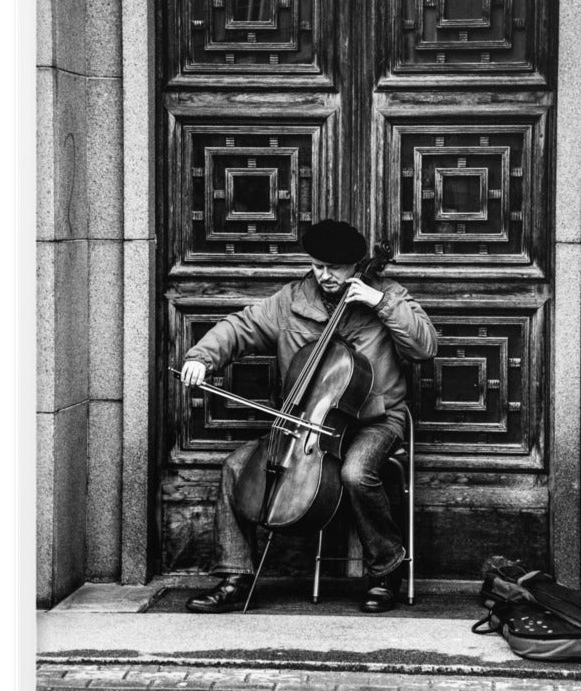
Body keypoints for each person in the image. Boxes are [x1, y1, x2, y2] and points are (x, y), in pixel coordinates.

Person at [177, 219, 437, 614]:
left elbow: (425, 347)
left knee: (356, 472)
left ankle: (385, 570)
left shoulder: (388, 295)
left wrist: (380, 303)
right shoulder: (292, 300)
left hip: (376, 420)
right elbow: (241, 327)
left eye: (335, 268)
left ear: (356, 266)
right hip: (307, 423)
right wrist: (201, 357)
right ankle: (234, 577)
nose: (324, 276)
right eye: (317, 266)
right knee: (235, 466)